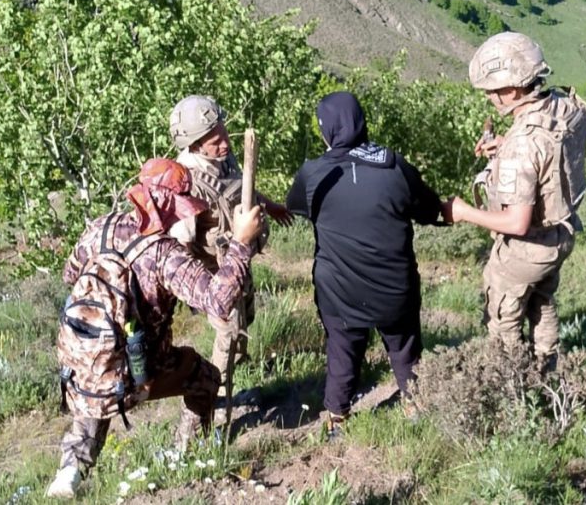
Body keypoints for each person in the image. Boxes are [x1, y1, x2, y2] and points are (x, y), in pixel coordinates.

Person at [46, 158, 263, 499]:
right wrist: (240, 244)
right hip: (139, 371)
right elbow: (218, 301)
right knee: (204, 377)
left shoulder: (100, 227)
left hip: (84, 363)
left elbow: (70, 274)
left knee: (96, 392)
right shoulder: (164, 254)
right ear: (166, 205)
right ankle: (185, 455)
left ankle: (69, 472)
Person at [286, 91, 444, 438]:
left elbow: (295, 206)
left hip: (340, 291)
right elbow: (430, 209)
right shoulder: (395, 165)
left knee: (342, 349)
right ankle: (414, 403)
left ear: (326, 130)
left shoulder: (313, 174)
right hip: (394, 288)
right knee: (403, 345)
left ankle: (337, 419)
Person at [443, 32, 586, 372]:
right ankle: (549, 369)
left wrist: (463, 211)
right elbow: (550, 157)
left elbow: (517, 223)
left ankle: (513, 387)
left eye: (491, 92)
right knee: (542, 301)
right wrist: (504, 146)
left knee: (502, 318)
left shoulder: (523, 144)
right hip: (562, 232)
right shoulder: (562, 105)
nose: (490, 99)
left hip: (528, 245)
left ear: (510, 89)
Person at [168, 95, 293, 428]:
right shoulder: (186, 182)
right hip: (215, 278)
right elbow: (177, 244)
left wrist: (270, 206)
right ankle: (204, 417)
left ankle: (222, 395)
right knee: (228, 336)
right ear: (195, 144)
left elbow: (240, 190)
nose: (224, 142)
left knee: (239, 337)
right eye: (214, 140)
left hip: (239, 266)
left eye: (224, 132)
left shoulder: (223, 160)